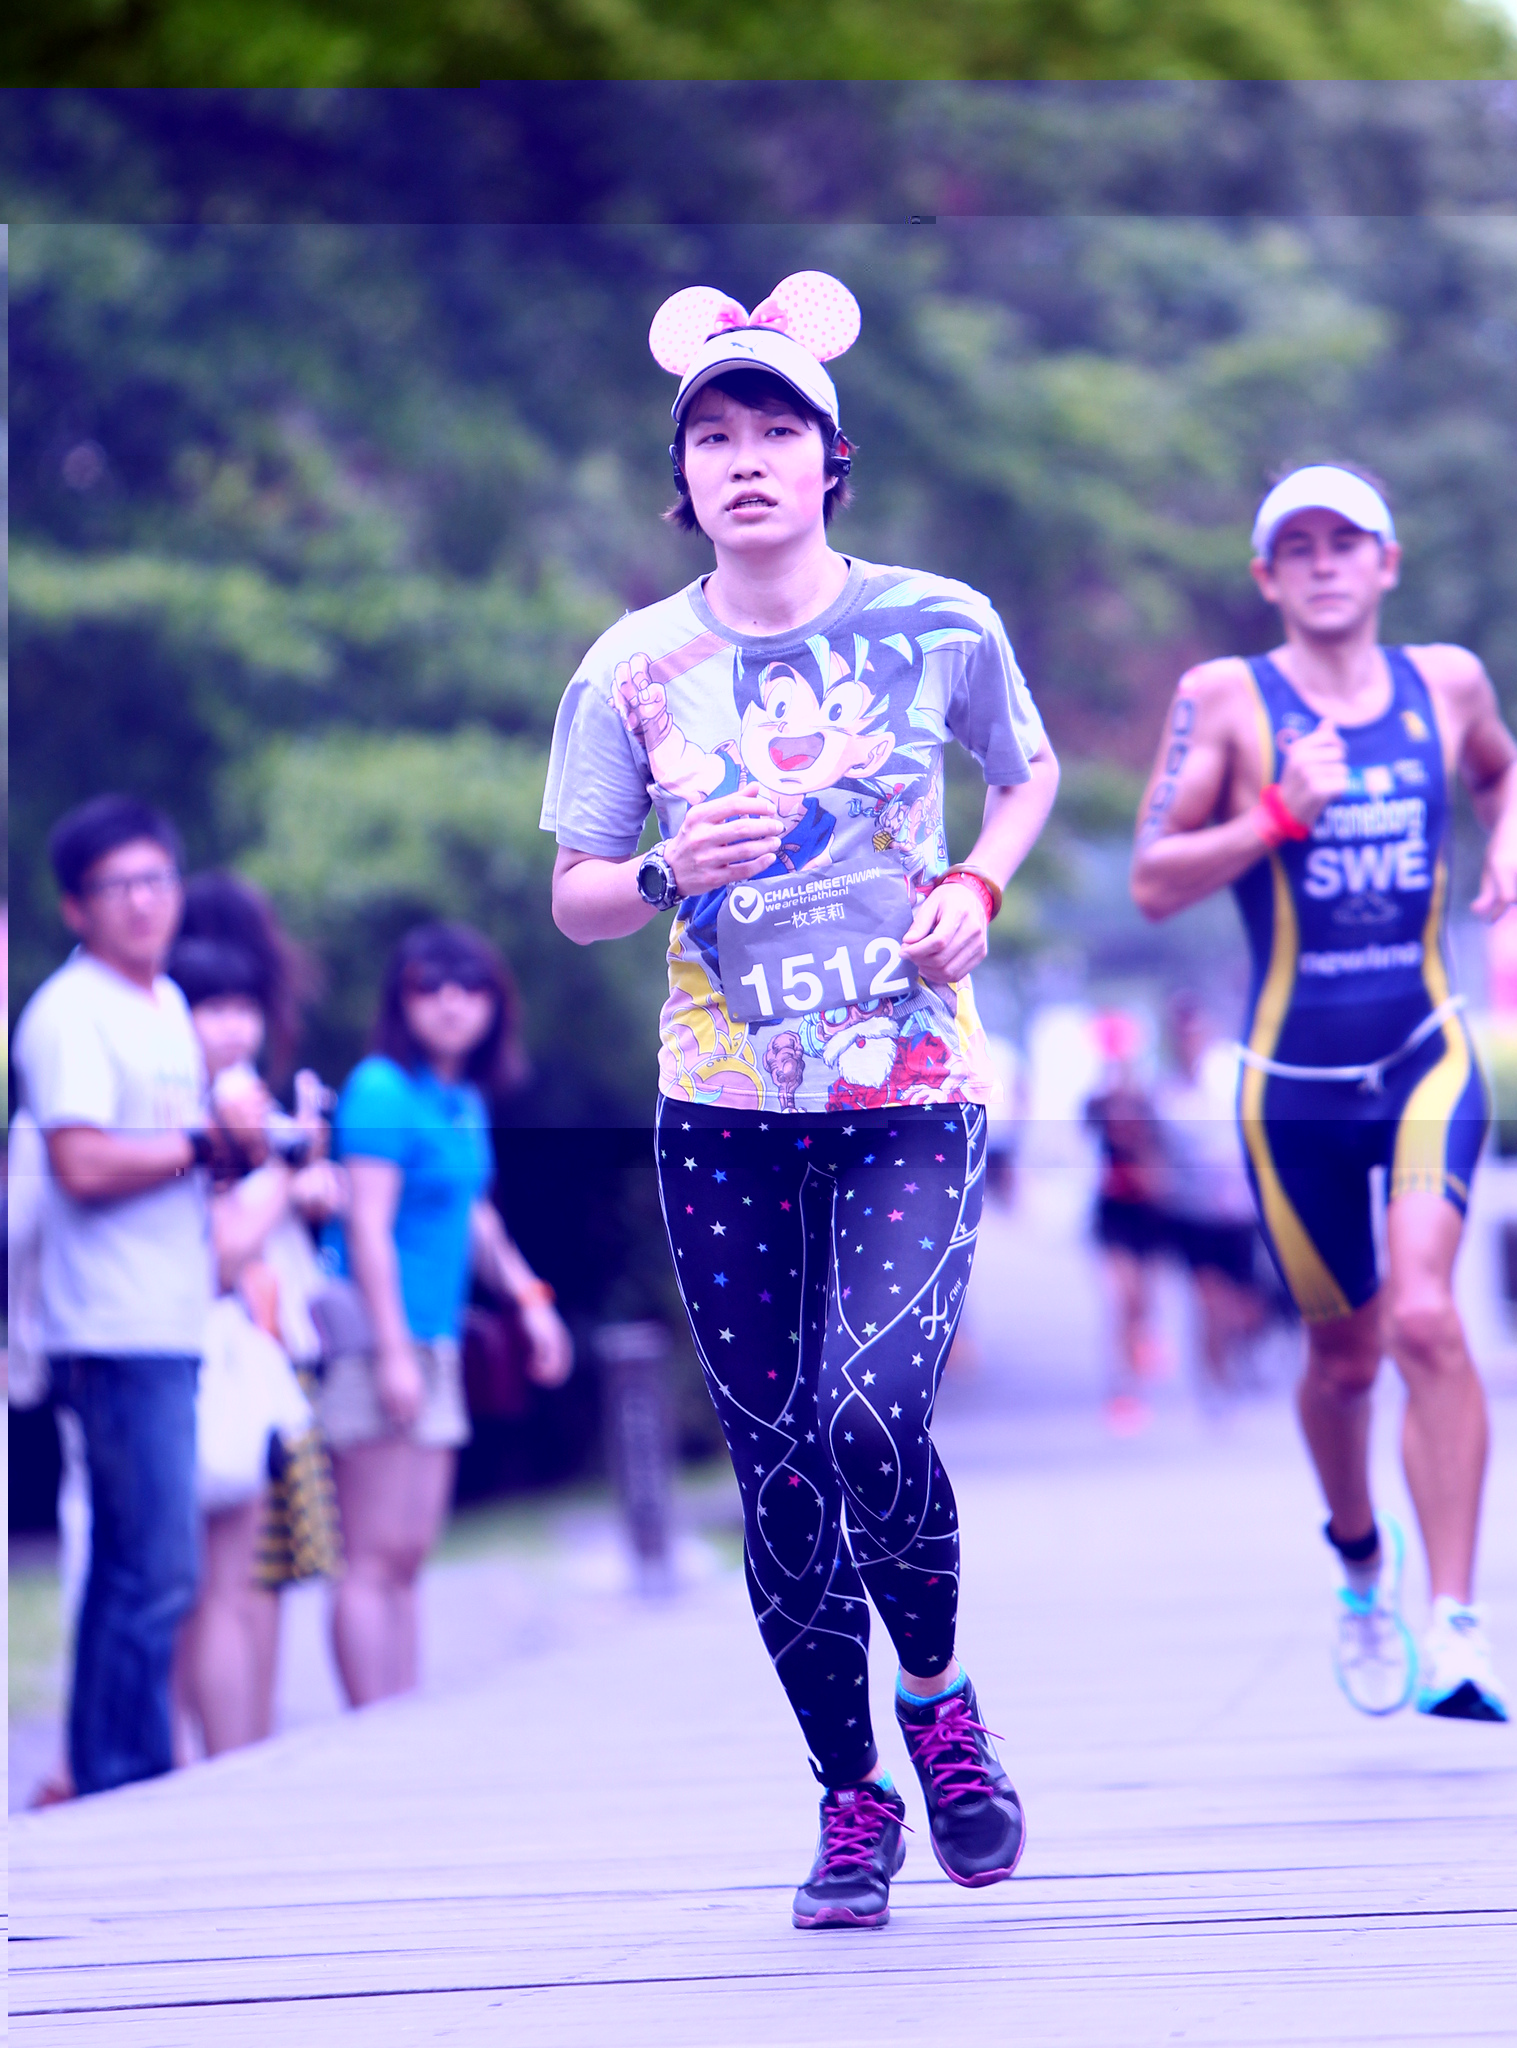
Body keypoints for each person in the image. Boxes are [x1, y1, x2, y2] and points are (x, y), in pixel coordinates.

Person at [542, 270, 1059, 1929]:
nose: (746, 460)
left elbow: (1026, 768)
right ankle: (850, 1799)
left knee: (870, 1415)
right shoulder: (631, 665)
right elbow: (574, 896)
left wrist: (977, 882)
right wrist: (661, 866)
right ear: (681, 475)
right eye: (714, 437)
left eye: (776, 430)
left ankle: (941, 1706)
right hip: (722, 1110)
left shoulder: (938, 622)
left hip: (908, 1083)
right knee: (774, 1466)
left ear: (831, 460)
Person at [1129, 464, 1517, 1722]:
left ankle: (1455, 1626)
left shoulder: (1445, 681)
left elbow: (1503, 772)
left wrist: (1515, 834)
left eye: (1344, 542)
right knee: (1345, 1356)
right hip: (1291, 1084)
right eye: (1297, 547)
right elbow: (1152, 879)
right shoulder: (1223, 699)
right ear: (1265, 575)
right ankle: (1361, 1560)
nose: (1323, 564)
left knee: (1423, 1315)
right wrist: (1272, 814)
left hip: (1425, 1051)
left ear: (1385, 562)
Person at [10, 796, 267, 1795]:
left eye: (156, 879)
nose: (143, 902)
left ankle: (113, 1774)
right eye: (117, 887)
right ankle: (125, 1777)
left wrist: (235, 1152)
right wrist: (204, 1144)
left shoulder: (161, 1004)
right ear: (75, 907)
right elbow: (78, 1163)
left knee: (137, 1564)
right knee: (155, 1567)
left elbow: (175, 1156)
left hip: (168, 1312)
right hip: (111, 1323)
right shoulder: (69, 1014)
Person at [321, 921, 573, 1707]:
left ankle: (403, 1716)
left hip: (434, 1339)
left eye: (471, 988)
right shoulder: (380, 1088)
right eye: (430, 987)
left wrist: (530, 1302)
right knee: (370, 1554)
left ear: (496, 1004)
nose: (451, 1003)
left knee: (407, 1553)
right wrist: (393, 1351)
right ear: (400, 1002)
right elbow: (366, 1226)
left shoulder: (461, 1097)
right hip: (376, 1341)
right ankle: (370, 1725)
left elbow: (476, 1216)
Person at [165, 872, 346, 1760]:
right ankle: (225, 1759)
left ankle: (241, 1754)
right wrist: (290, 1166)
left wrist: (298, 1168)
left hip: (265, 1349)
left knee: (250, 1578)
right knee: (226, 1581)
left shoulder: (230, 1092)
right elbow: (228, 1243)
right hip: (229, 1352)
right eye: (217, 1005)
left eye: (245, 1005)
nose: (238, 1024)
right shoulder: (190, 1101)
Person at [1153, 992, 1269, 1398]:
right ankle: (1215, 1382)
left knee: (1244, 1303)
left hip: (1239, 1210)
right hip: (1192, 1211)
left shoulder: (1232, 1074)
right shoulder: (1165, 1090)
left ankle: (1242, 1351)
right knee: (1207, 1298)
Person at [1084, 1010, 1173, 1433]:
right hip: (1113, 1212)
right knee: (1123, 1299)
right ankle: (1122, 1389)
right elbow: (1088, 1127)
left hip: (1148, 1212)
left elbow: (1161, 1155)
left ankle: (1139, 1366)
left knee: (1143, 1302)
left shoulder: (1148, 1103)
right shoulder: (1098, 1103)